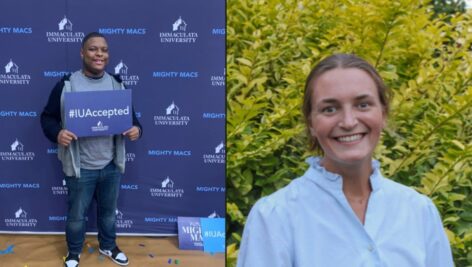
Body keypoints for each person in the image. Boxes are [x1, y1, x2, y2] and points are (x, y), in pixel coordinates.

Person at [236, 54, 453, 267]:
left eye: (363, 105)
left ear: (383, 113)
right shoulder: (274, 217)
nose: (348, 122)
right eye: (330, 109)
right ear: (311, 122)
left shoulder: (419, 212)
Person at [40, 32, 142, 267]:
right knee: (76, 216)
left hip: (110, 164)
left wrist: (137, 130)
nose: (99, 54)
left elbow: (134, 121)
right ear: (82, 53)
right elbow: (47, 118)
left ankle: (108, 245)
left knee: (108, 213)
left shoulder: (117, 84)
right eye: (93, 49)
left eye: (104, 50)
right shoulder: (67, 85)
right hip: (80, 166)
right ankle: (74, 253)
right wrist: (57, 133)